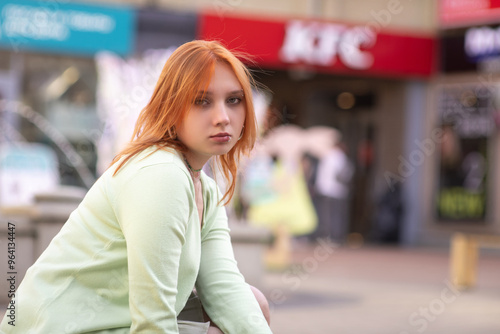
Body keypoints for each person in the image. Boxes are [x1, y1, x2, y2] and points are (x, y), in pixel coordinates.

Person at [0, 40, 272, 334]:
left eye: (234, 100)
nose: (223, 117)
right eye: (202, 101)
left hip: (111, 322)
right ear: (172, 107)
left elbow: (224, 288)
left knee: (252, 303)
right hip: (54, 328)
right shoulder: (161, 174)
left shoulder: (204, 187)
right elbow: (153, 323)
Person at [314, 138, 354, 243]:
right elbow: (344, 174)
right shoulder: (339, 156)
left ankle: (328, 236)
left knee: (327, 215)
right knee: (336, 215)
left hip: (327, 190)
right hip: (337, 191)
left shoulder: (327, 156)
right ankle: (335, 237)